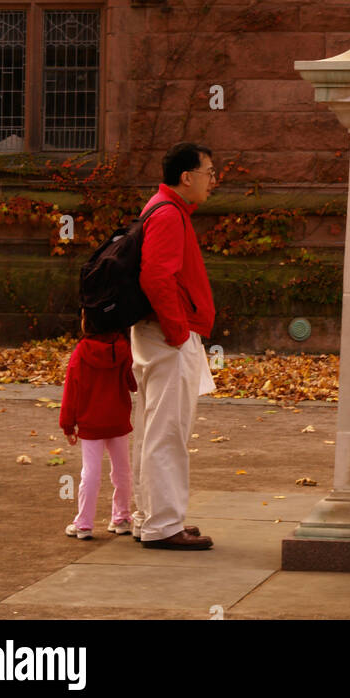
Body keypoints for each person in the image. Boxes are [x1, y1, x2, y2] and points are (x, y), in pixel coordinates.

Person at [130, 141, 217, 550]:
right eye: (209, 173)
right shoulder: (168, 214)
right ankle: (163, 525)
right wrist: (180, 332)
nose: (213, 181)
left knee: (152, 430)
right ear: (187, 177)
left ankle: (148, 518)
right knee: (168, 433)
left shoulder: (160, 207)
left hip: (157, 334)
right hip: (167, 337)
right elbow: (156, 277)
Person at [59, 310, 136, 540]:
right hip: (118, 418)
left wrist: (67, 424)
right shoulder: (123, 347)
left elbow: (72, 388)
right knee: (122, 471)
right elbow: (132, 383)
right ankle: (122, 517)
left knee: (90, 473)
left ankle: (84, 523)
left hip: (90, 421)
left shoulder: (82, 351)